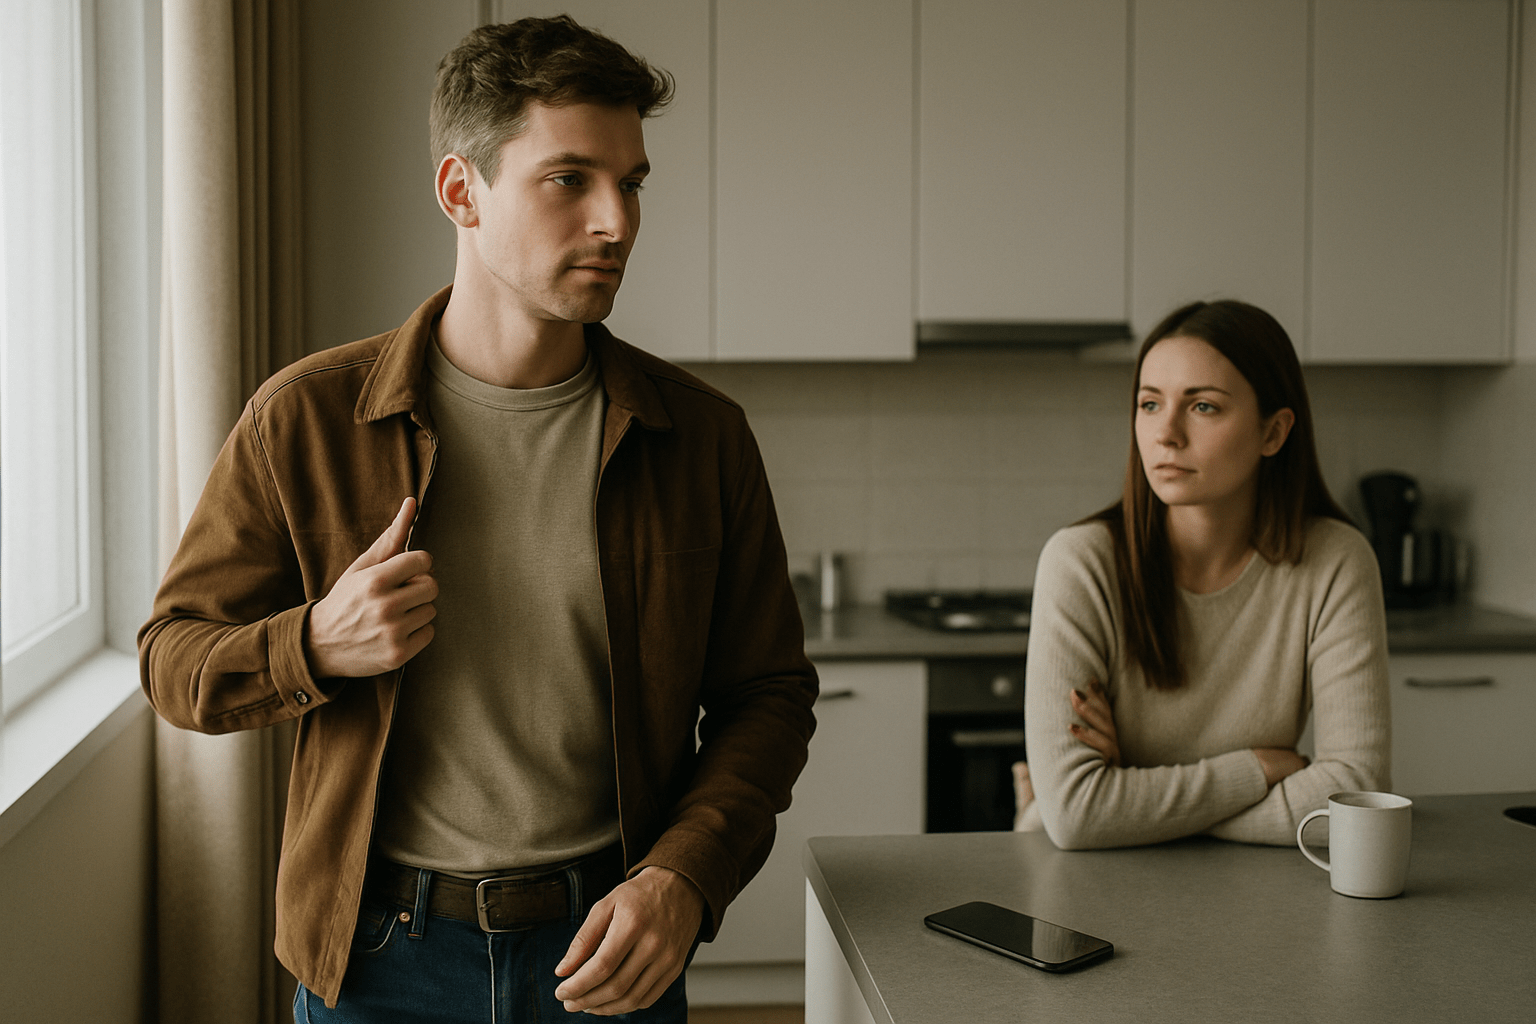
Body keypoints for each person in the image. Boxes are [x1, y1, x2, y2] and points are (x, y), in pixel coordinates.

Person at [138, 16, 817, 1021]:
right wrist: (315, 642)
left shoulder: (701, 438)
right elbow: (172, 662)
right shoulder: (307, 419)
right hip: (378, 963)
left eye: (630, 184)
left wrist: (687, 875)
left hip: (609, 952)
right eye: (570, 179)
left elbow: (768, 695)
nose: (616, 222)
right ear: (462, 191)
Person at [1013, 299, 1390, 849]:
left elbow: (1356, 796)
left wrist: (1129, 803)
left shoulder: (1336, 562)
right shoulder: (1080, 562)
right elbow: (1074, 816)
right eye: (1149, 404)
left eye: (1203, 407)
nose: (1165, 434)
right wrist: (1258, 771)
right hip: (1080, 880)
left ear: (1273, 433)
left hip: (1247, 891)